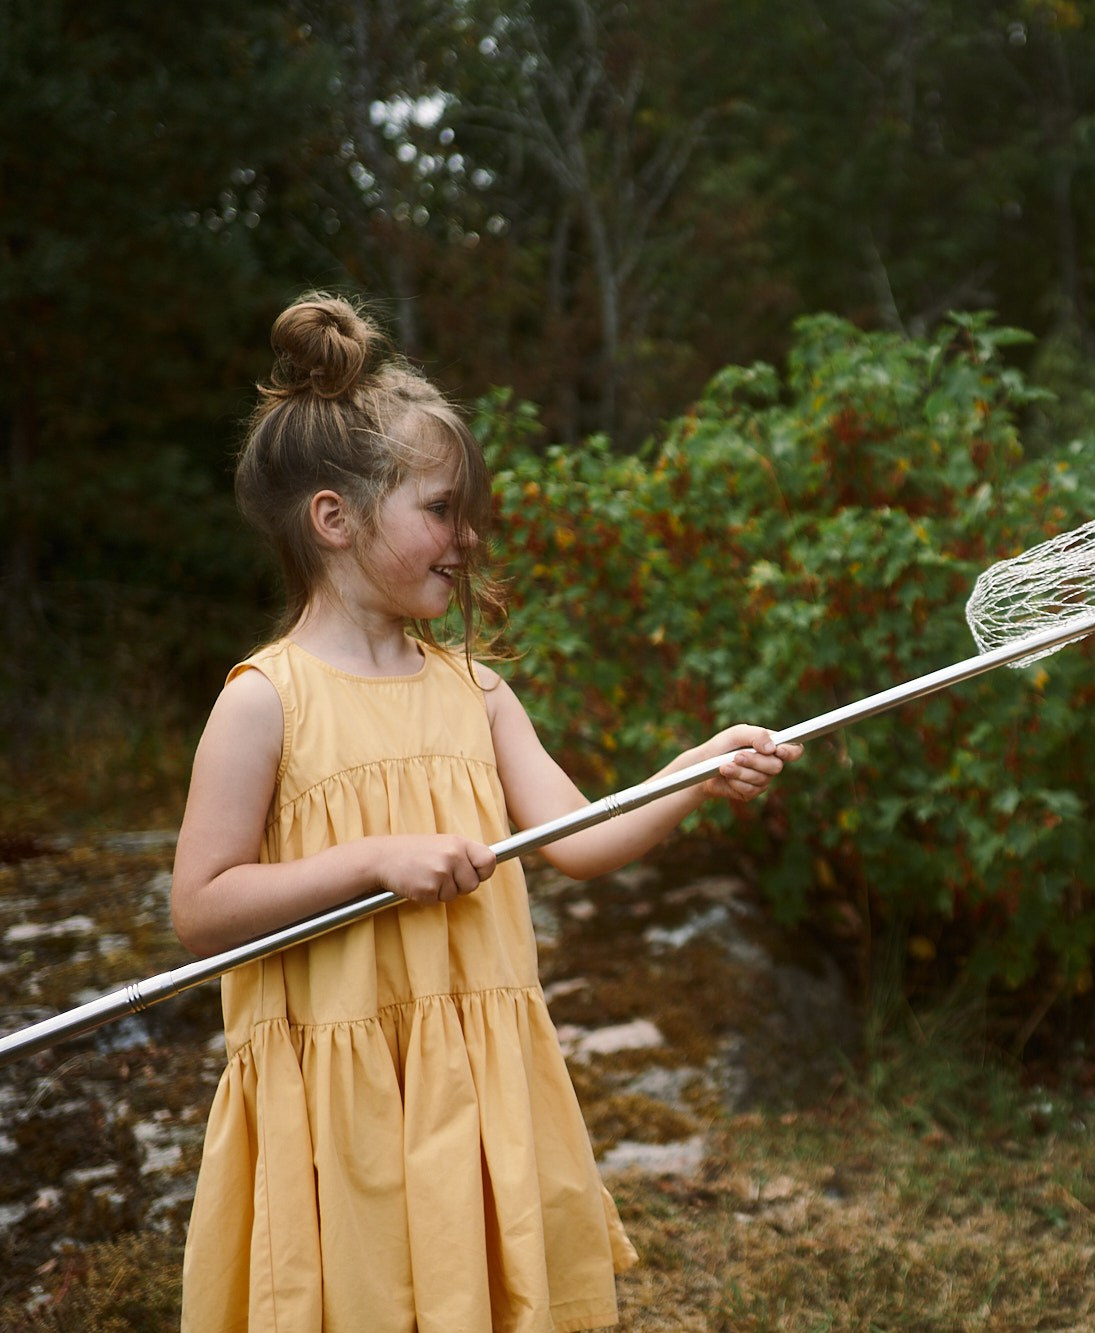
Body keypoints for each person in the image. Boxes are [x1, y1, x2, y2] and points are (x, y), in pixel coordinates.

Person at [170, 292, 802, 1331]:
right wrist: (374, 861)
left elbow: (583, 842)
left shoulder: (476, 692)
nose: (467, 535)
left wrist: (690, 772)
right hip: (347, 1103)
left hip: (476, 1085)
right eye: (440, 509)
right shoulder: (263, 701)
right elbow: (201, 907)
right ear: (334, 517)